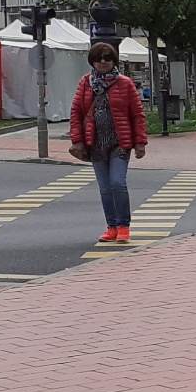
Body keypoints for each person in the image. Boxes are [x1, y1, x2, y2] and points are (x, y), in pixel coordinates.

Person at [68, 40, 148, 243]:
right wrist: (77, 141)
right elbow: (76, 113)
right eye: (99, 59)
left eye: (107, 58)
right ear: (92, 62)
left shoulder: (125, 83)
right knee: (104, 188)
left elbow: (137, 114)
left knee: (117, 183)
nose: (103, 62)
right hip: (95, 144)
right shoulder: (86, 83)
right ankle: (111, 226)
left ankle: (123, 226)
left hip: (119, 143)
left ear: (114, 61)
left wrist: (140, 143)